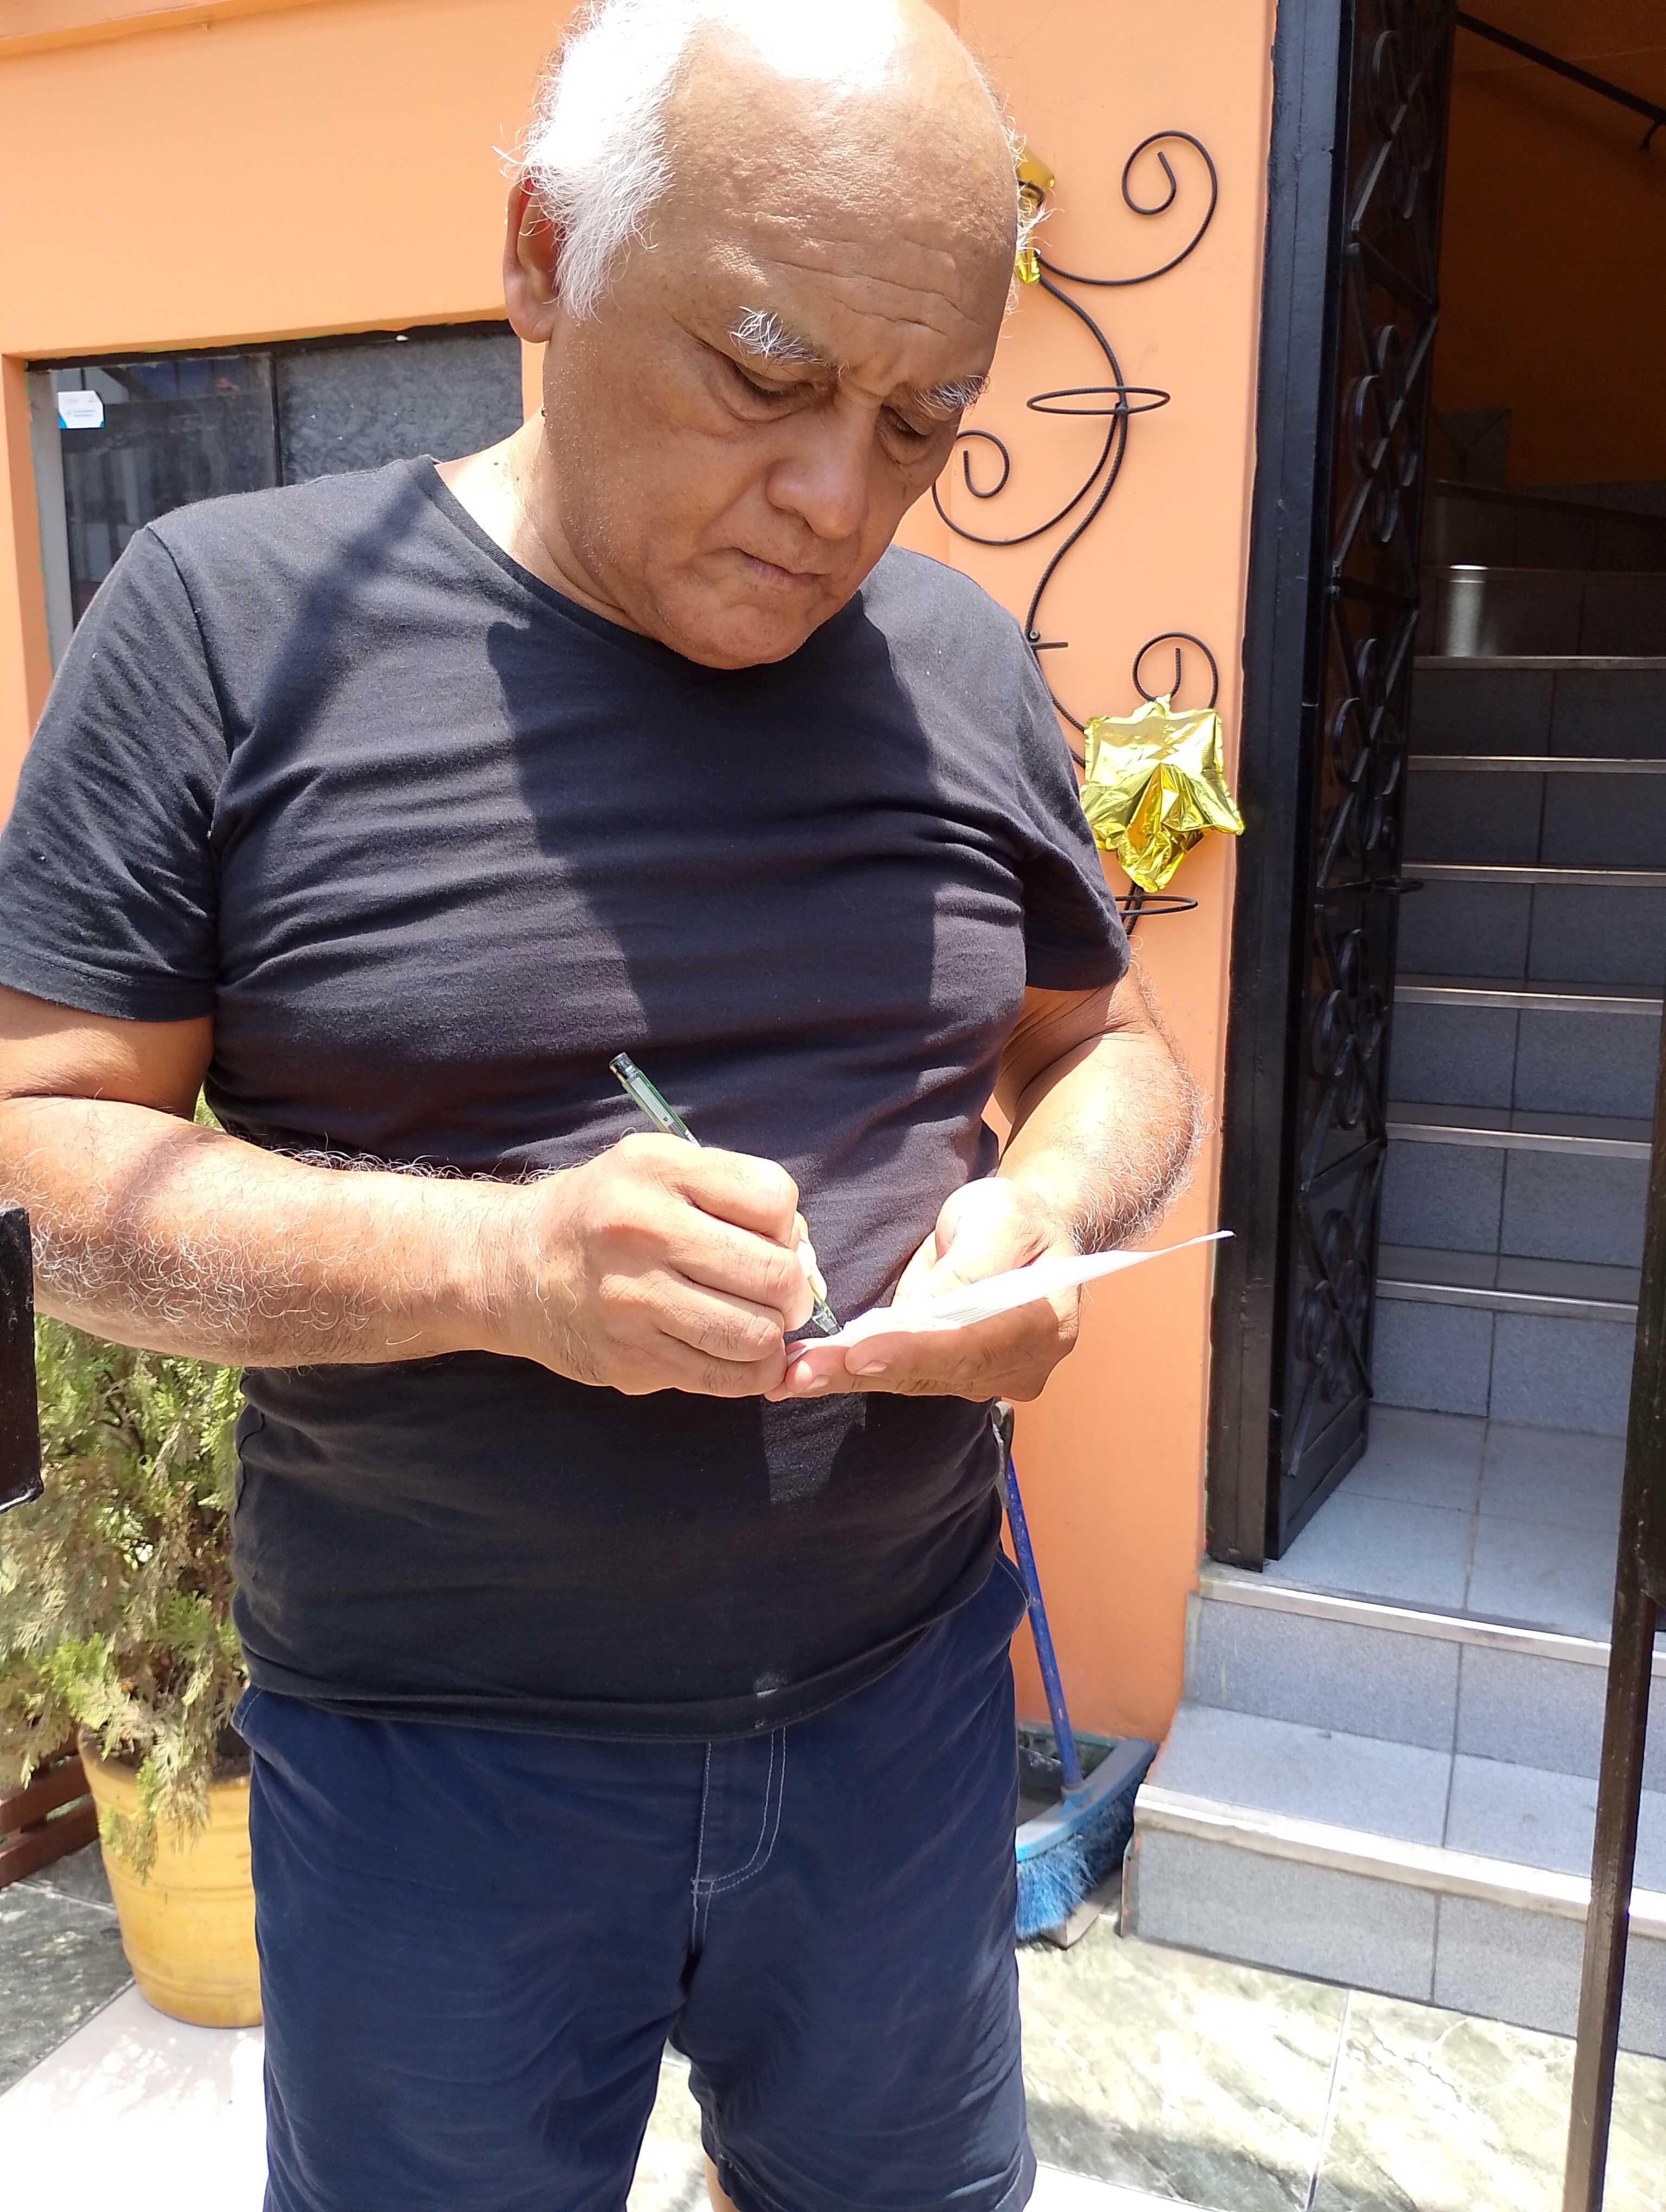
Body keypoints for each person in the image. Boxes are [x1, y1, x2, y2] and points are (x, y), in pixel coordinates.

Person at [0, 2, 1200, 2207]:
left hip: (902, 1715)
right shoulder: (228, 628)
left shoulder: (955, 660)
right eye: (765, 373)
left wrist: (1043, 1216)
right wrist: (502, 1265)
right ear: (544, 254)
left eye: (919, 423)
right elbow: (39, 1166)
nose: (839, 500)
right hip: (436, 1761)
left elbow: (1105, 1051)